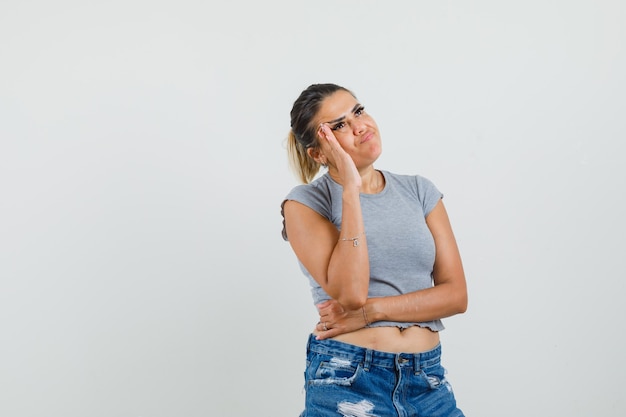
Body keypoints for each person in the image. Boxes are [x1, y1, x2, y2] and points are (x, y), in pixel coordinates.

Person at [281, 83, 468, 417]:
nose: (359, 126)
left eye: (358, 111)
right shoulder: (305, 203)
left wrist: (373, 312)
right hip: (348, 380)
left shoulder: (419, 190)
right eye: (338, 126)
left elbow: (456, 296)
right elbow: (351, 294)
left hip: (427, 382)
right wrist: (350, 189)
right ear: (319, 153)